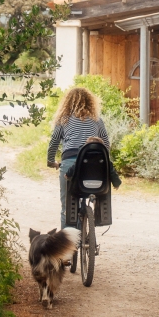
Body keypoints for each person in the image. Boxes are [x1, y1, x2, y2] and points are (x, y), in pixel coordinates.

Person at [47, 86, 114, 228]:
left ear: (68, 102)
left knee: (67, 208)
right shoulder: (97, 120)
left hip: (69, 163)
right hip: (93, 167)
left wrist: (51, 161)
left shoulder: (63, 120)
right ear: (90, 102)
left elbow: (53, 143)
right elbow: (106, 145)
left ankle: (68, 247)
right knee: (99, 193)